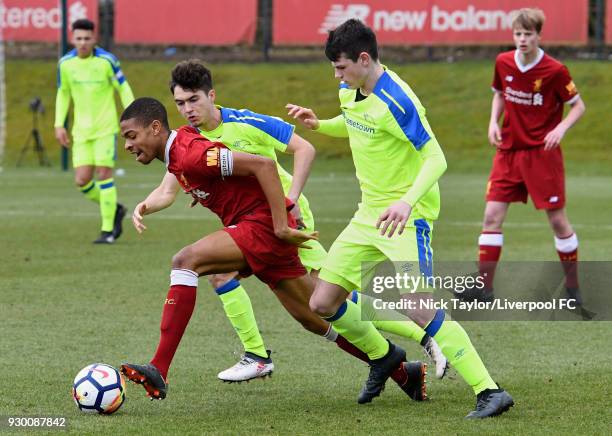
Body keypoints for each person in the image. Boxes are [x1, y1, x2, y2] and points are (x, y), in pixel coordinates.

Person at [148, 59, 446, 384]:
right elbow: (170, 188)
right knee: (299, 305)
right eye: (180, 103)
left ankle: (423, 332)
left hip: (286, 218)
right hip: (252, 223)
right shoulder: (189, 139)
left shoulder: (245, 122)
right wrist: (146, 207)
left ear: (211, 95)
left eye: (194, 100)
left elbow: (304, 148)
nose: (188, 109)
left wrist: (290, 199)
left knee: (329, 300)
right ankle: (261, 355)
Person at [287, 19, 513, 417]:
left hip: (407, 219)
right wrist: (320, 125)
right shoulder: (350, 88)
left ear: (363, 58)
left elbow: (435, 157)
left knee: (419, 305)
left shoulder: (399, 100)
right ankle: (387, 357)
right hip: (368, 216)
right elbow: (357, 125)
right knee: (322, 300)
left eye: (340, 67)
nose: (336, 75)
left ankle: (489, 390)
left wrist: (407, 202)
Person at [474, 8, 586, 303]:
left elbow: (578, 106)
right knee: (491, 217)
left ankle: (573, 286)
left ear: (539, 35)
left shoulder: (555, 70)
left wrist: (560, 129)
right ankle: (485, 289)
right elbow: (499, 93)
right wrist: (492, 122)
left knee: (558, 221)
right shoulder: (503, 62)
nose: (522, 39)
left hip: (542, 155)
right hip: (508, 151)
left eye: (528, 34)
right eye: (518, 34)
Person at [54, 18, 133, 244]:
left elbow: (122, 86)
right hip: (81, 132)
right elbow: (63, 94)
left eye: (87, 38)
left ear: (94, 38)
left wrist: (133, 114)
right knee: (82, 180)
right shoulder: (65, 64)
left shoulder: (107, 61)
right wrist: (59, 124)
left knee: (104, 175)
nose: (83, 43)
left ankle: (108, 230)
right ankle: (115, 208)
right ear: (72, 39)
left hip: (105, 129)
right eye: (78, 38)